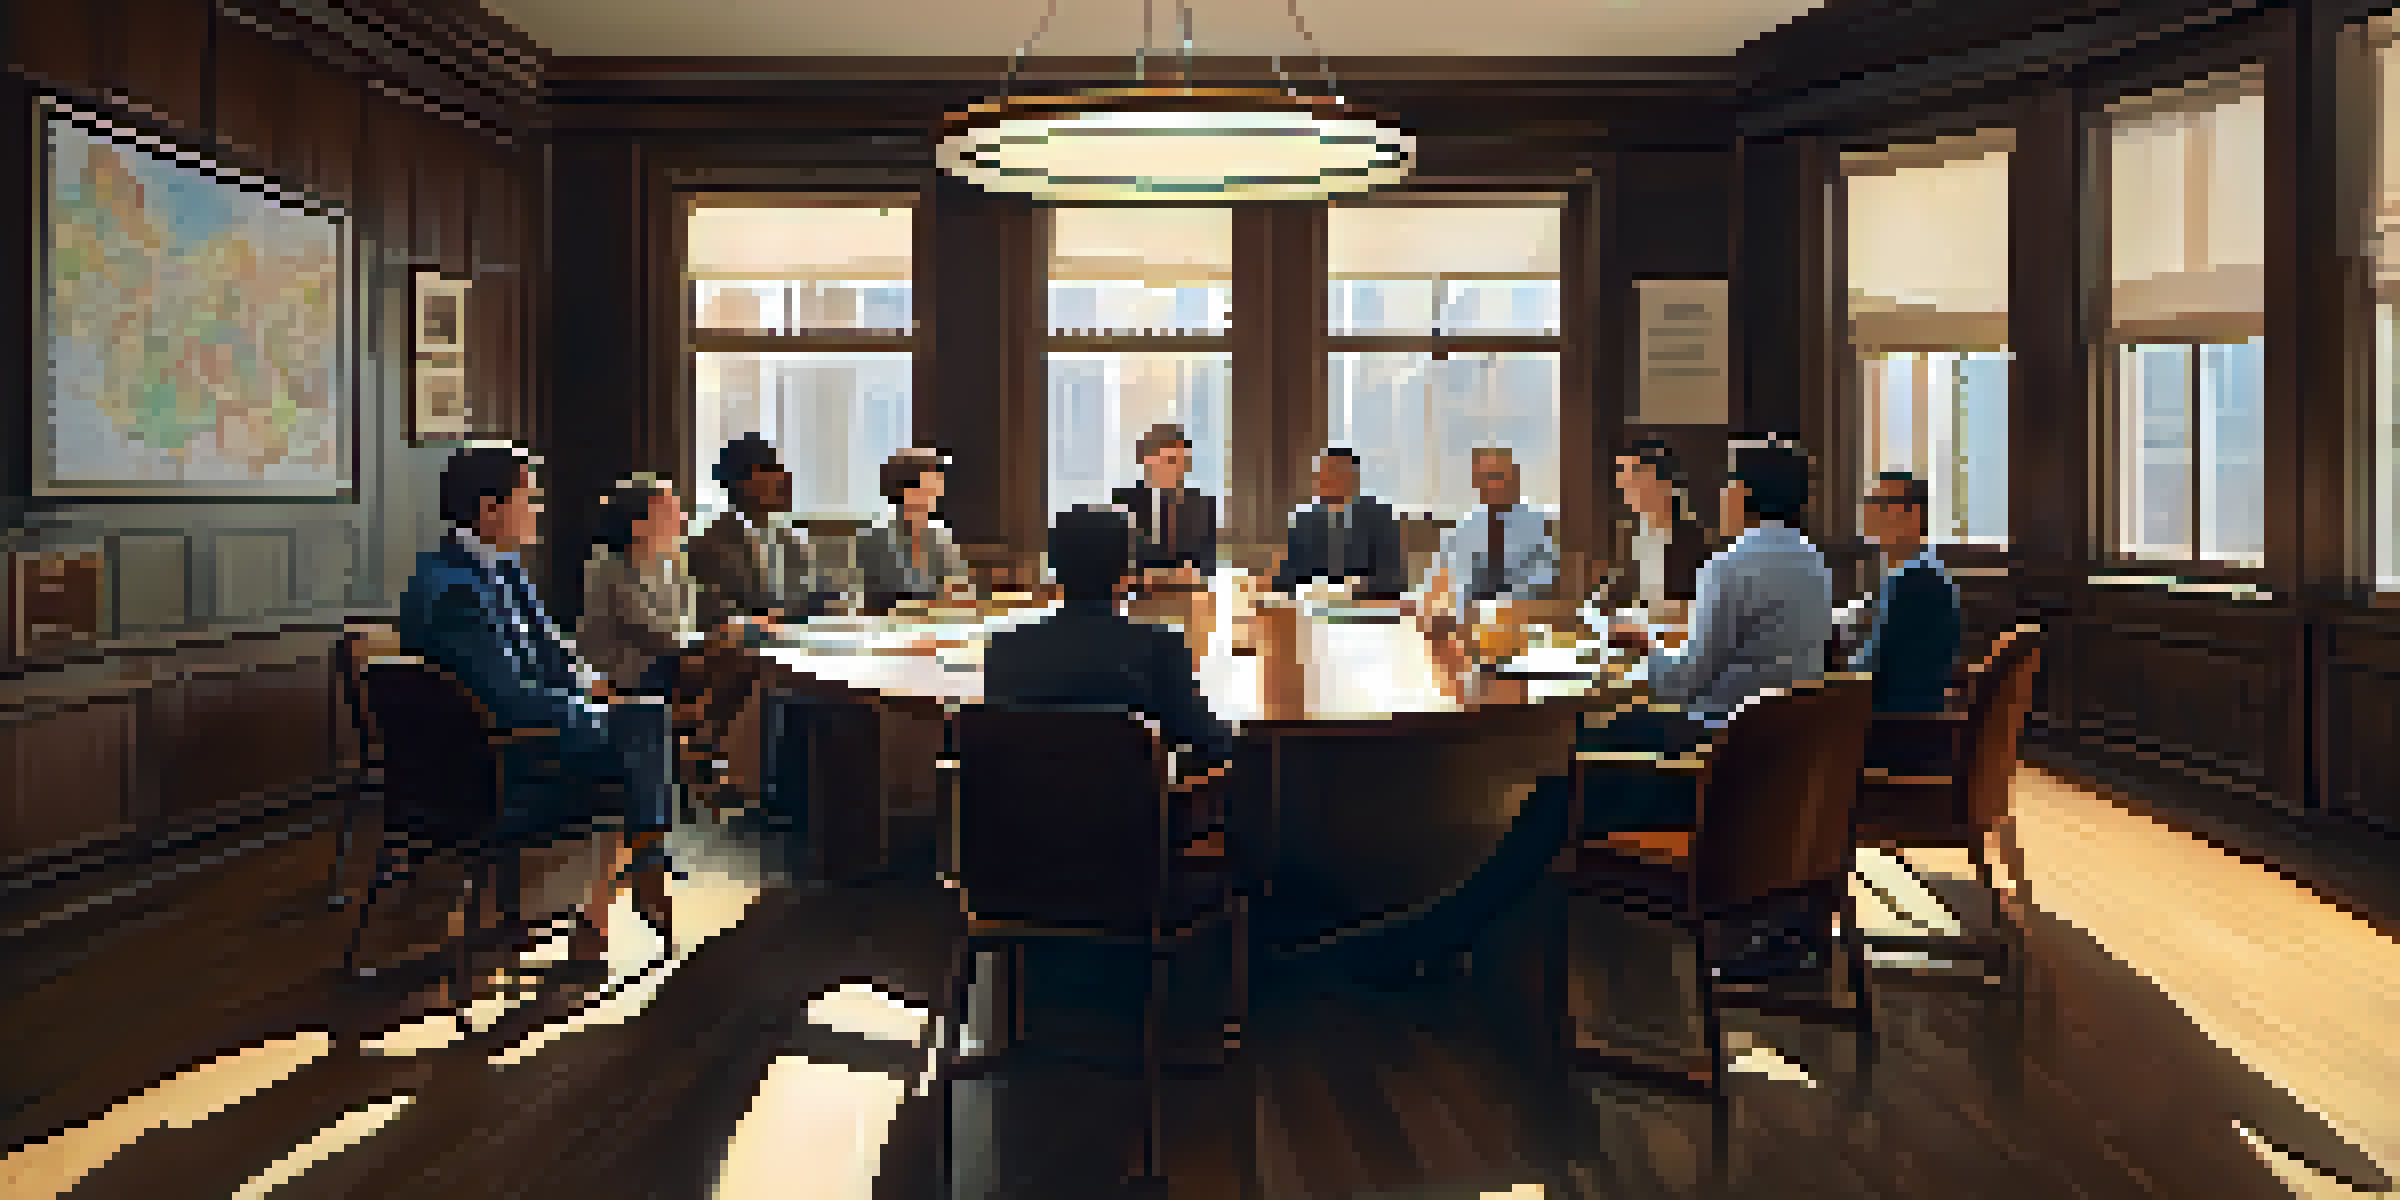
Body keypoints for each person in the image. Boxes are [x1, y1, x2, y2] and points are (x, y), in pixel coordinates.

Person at [1318, 438, 1835, 989]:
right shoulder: (1813, 565)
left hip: (1706, 770)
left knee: (1555, 792)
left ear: (1747, 495)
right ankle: (1450, 930)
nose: (1724, 496)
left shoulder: (1732, 567)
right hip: (1760, 766)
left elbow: (1686, 680)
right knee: (1592, 747)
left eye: (1730, 486)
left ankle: (1437, 936)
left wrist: (1636, 656)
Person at [396, 445, 676, 963]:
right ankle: (638, 874)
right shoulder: (455, 590)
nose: (539, 508)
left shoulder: (498, 567)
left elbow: (556, 652)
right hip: (487, 774)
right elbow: (508, 704)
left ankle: (624, 889)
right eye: (528, 497)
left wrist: (591, 683)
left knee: (641, 725)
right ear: (489, 509)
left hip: (512, 745)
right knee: (639, 740)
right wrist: (596, 710)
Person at [983, 505, 1235, 839]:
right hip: (1132, 838)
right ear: (1127, 575)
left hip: (1021, 834)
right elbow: (1207, 741)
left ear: (1053, 572)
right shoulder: (1159, 646)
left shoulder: (1004, 648)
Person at [1848, 471, 1965, 765]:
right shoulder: (1924, 569)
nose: (1869, 513)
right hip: (1918, 726)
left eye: (1880, 504)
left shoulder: (1910, 580)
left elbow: (1863, 672)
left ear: (1914, 516)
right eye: (1869, 502)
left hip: (1895, 735)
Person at [687, 434, 835, 631]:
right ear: (742, 480)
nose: (785, 478)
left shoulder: (789, 541)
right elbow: (716, 619)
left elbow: (825, 598)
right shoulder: (708, 546)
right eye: (771, 470)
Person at [579, 475, 698, 697]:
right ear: (639, 525)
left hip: (660, 670)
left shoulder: (668, 562)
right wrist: (713, 642)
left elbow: (686, 623)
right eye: (669, 513)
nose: (682, 519)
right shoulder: (606, 566)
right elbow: (654, 633)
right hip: (622, 681)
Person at [1428, 446, 1557, 621]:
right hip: (1468, 620)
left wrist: (1504, 612)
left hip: (1519, 620)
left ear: (1514, 478)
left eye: (1497, 476)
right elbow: (1444, 575)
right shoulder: (1466, 527)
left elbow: (1544, 584)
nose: (1490, 485)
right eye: (1483, 478)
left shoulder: (1538, 526)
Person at [1270, 448, 1407, 599]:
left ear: (1353, 479)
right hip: (1310, 604)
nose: (1327, 481)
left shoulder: (1380, 517)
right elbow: (1287, 575)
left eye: (1336, 475)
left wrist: (1350, 590)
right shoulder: (1305, 520)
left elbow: (1393, 578)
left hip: (1364, 604)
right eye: (1323, 475)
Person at [1604, 437, 1711, 628]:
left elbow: (1690, 614)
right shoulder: (1636, 537)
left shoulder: (1691, 540)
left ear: (1665, 480)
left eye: (1634, 474)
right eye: (1621, 474)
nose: (1625, 485)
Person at [858, 448, 972, 614]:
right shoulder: (875, 542)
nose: (939, 495)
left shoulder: (940, 538)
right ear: (907, 492)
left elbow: (963, 591)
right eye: (931, 489)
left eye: (938, 488)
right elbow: (879, 608)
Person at [1112, 423, 1218, 582]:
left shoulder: (1202, 506)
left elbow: (1206, 567)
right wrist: (1167, 575)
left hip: (1186, 592)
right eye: (1171, 460)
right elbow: (1119, 565)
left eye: (1184, 462)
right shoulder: (1124, 500)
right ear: (1147, 459)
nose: (1180, 470)